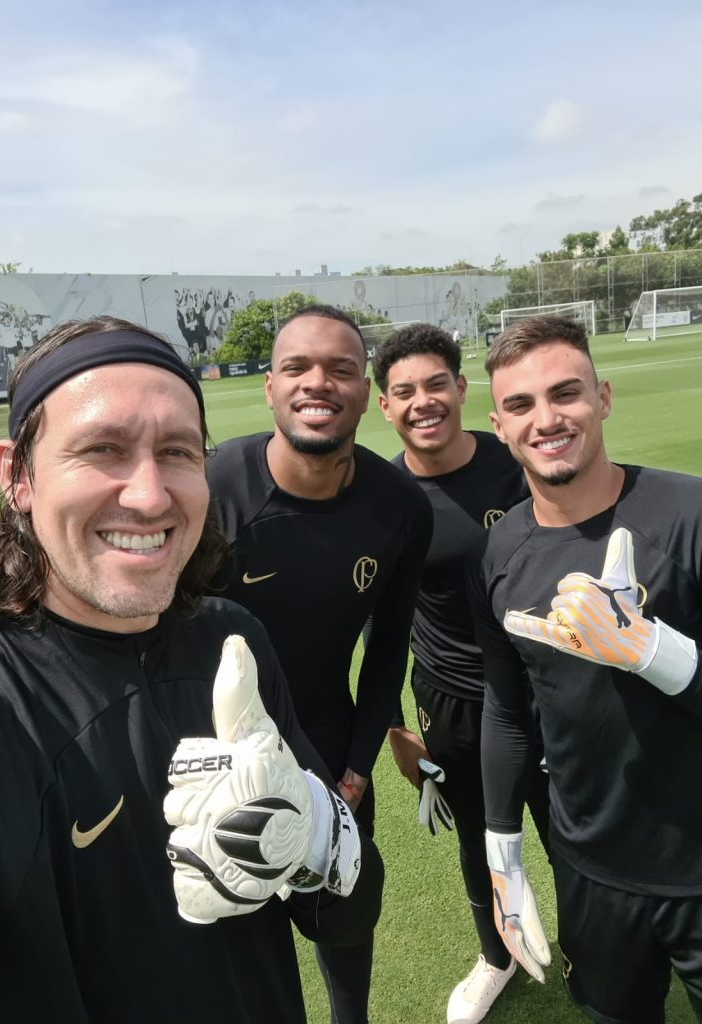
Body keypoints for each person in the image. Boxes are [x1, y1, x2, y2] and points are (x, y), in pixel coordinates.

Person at [0, 314, 383, 1024]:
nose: (149, 494)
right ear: (16, 475)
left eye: (177, 452)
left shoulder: (232, 640)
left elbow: (347, 918)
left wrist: (316, 835)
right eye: (102, 449)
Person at [470, 314, 702, 1023]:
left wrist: (655, 653)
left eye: (565, 393)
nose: (546, 419)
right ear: (499, 424)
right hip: (592, 869)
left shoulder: (690, 512)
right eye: (521, 405)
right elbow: (509, 710)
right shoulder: (503, 546)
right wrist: (503, 850)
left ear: (602, 397)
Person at [206, 305, 433, 1024]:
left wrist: (359, 768)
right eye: (298, 367)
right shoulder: (211, 488)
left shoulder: (399, 505)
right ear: (270, 386)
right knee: (237, 923)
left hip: (334, 753)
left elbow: (389, 645)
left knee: (342, 913)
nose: (319, 383)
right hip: (219, 755)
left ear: (366, 392)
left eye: (340, 369)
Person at [372, 323, 549, 1024]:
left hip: (544, 688)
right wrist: (393, 726)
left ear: (461, 389)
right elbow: (377, 622)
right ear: (385, 405)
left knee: (570, 831)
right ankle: (496, 954)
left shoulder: (518, 465)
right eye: (404, 391)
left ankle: (588, 950)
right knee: (481, 837)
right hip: (450, 700)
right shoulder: (381, 497)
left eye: (435, 384)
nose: (423, 401)